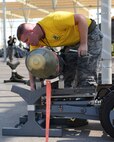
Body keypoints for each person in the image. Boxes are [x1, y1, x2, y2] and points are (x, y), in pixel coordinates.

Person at [17, 11, 103, 90]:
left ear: (31, 31)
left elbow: (81, 19)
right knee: (68, 69)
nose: (27, 44)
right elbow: (32, 64)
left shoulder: (54, 20)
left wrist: (83, 44)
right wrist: (32, 84)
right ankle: (68, 93)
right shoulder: (36, 42)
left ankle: (87, 95)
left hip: (89, 34)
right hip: (72, 42)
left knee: (86, 71)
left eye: (26, 40)